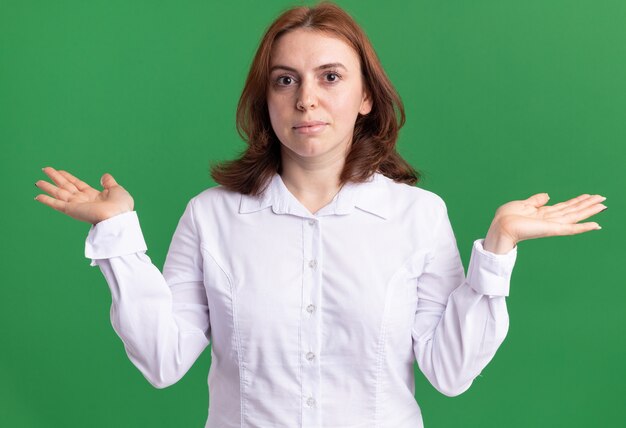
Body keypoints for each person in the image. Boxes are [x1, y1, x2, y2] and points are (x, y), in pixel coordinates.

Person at [34, 2, 607, 427]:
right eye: (286, 81)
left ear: (365, 97)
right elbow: (163, 360)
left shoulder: (418, 216)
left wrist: (499, 246)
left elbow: (450, 373)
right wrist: (117, 235)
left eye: (330, 77)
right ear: (268, 100)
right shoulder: (211, 217)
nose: (306, 99)